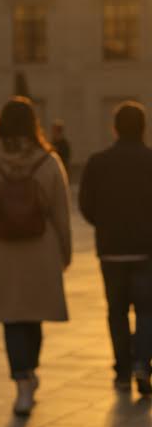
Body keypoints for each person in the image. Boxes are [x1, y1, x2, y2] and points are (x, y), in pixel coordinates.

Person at [0, 97, 71, 417]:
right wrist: (64, 253)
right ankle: (29, 372)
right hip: (41, 249)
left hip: (1, 249)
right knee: (33, 315)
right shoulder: (49, 161)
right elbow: (61, 213)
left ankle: (22, 382)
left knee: (11, 318)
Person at [79, 101, 152, 396]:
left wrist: (105, 225)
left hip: (111, 250)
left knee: (117, 311)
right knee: (147, 311)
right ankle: (142, 366)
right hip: (147, 251)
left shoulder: (98, 162)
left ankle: (122, 370)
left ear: (115, 128)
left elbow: (86, 204)